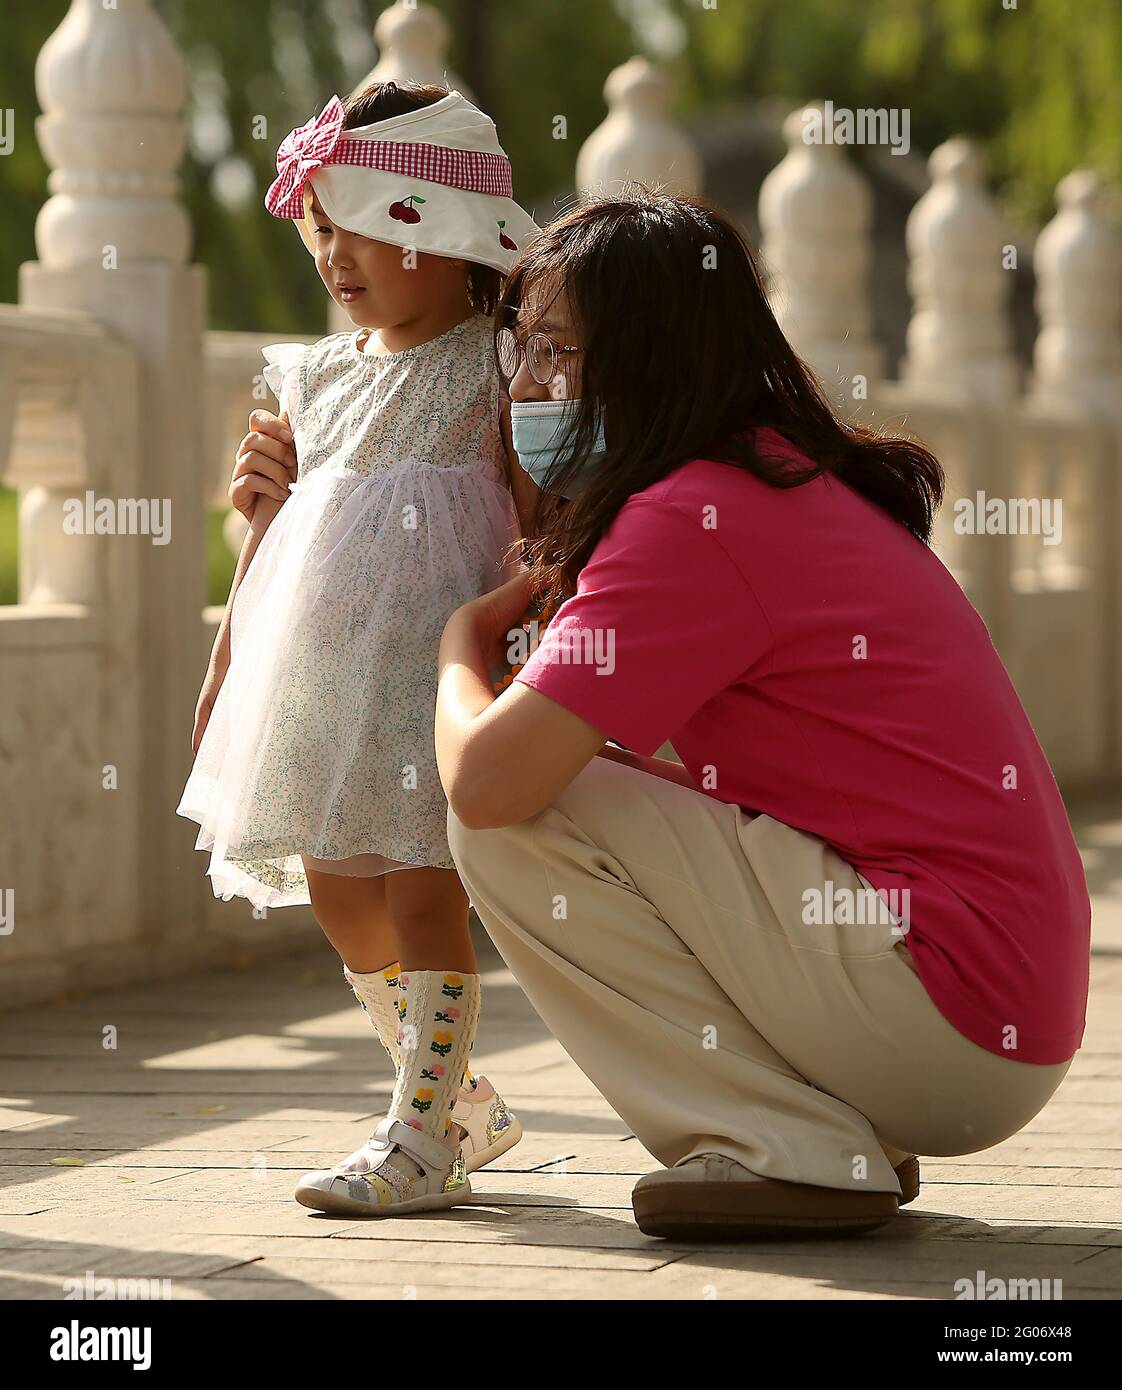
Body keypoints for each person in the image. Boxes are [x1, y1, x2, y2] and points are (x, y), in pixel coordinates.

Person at [434, 189, 1092, 1239]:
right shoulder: (763, 483)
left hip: (949, 1015)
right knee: (583, 777)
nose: (529, 385)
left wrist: (454, 653)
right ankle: (827, 1135)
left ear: (651, 356)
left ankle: (783, 1146)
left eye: (558, 351)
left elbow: (490, 778)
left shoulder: (692, 520)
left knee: (514, 816)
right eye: (522, 350)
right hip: (993, 1017)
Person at [177, 82, 538, 1217]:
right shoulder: (311, 377)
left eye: (362, 221)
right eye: (319, 225)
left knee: (427, 896)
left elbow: (532, 516)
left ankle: (422, 1134)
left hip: (430, 686)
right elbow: (275, 541)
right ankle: (452, 1095)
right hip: (326, 683)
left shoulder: (497, 367)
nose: (334, 251)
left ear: (439, 225)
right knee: (338, 886)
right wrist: (228, 662)